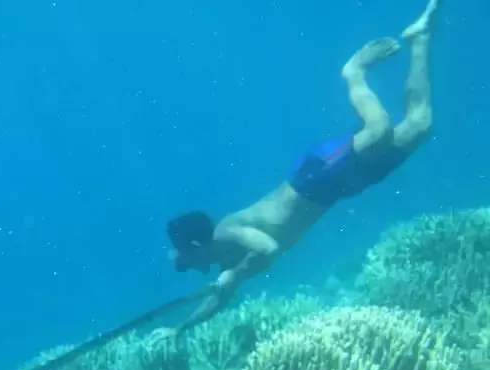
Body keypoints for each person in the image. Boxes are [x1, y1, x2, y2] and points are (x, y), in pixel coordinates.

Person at [155, 0, 439, 343]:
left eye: (188, 256)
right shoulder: (221, 258)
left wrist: (234, 275)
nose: (190, 265)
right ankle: (419, 38)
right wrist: (180, 328)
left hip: (316, 177)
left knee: (379, 129)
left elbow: (269, 248)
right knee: (420, 124)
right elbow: (218, 296)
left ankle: (353, 74)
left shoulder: (224, 235)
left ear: (199, 243)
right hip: (335, 189)